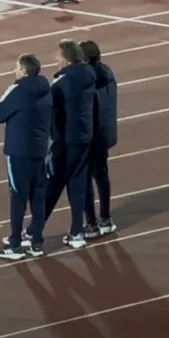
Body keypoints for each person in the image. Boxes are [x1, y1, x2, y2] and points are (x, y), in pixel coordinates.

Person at [0, 53, 53, 260]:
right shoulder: (47, 88)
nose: (14, 71)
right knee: (38, 197)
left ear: (24, 71)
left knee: (18, 197)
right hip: (40, 150)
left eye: (17, 67)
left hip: (19, 152)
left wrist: (9, 92)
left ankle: (16, 244)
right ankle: (36, 242)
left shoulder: (18, 91)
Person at [46, 39, 97, 249]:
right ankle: (77, 232)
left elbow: (45, 103)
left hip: (65, 140)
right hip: (84, 136)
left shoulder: (63, 82)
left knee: (52, 185)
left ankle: (32, 232)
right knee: (77, 185)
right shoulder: (89, 74)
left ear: (66, 59)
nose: (56, 60)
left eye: (58, 57)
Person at [78, 39, 119, 239]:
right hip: (104, 133)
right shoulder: (107, 72)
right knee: (102, 176)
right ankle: (105, 219)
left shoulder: (86, 79)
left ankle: (91, 224)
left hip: (89, 136)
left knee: (84, 180)